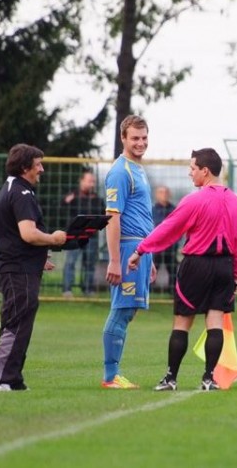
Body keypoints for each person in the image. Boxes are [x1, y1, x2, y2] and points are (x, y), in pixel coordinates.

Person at [128, 147, 237, 392]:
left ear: (205, 171)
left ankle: (170, 379)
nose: (189, 173)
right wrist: (236, 275)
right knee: (215, 321)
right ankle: (209, 379)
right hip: (224, 267)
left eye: (193, 168)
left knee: (182, 323)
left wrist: (141, 249)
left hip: (196, 266)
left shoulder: (194, 200)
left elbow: (169, 229)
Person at [0, 144, 66, 392]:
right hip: (17, 269)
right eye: (38, 164)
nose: (42, 169)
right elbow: (28, 234)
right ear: (24, 167)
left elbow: (16, 236)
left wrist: (39, 258)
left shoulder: (15, 188)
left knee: (17, 319)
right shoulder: (21, 193)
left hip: (21, 266)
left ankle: (12, 378)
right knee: (16, 321)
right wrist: (54, 239)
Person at [101, 115, 156, 389]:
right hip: (127, 248)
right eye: (135, 138)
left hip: (140, 249)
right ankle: (110, 377)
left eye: (144, 138)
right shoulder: (120, 172)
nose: (140, 143)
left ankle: (113, 375)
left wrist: (149, 254)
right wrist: (114, 260)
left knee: (129, 310)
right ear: (123, 138)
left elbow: (142, 214)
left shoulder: (138, 169)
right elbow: (113, 217)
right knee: (121, 310)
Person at [61, 169, 105, 298]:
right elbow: (61, 209)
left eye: (93, 182)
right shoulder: (72, 197)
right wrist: (66, 202)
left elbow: (103, 215)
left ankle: (88, 289)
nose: (91, 184)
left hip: (91, 236)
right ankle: (67, 290)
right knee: (70, 262)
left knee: (90, 264)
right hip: (74, 235)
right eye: (89, 181)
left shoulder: (97, 199)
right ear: (81, 181)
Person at [150, 185, 180, 291]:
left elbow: (179, 227)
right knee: (153, 266)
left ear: (170, 194)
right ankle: (149, 288)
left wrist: (175, 242)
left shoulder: (174, 210)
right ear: (156, 195)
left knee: (172, 268)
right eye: (161, 192)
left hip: (170, 245)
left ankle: (173, 290)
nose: (164, 195)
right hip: (156, 245)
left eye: (166, 192)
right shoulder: (152, 210)